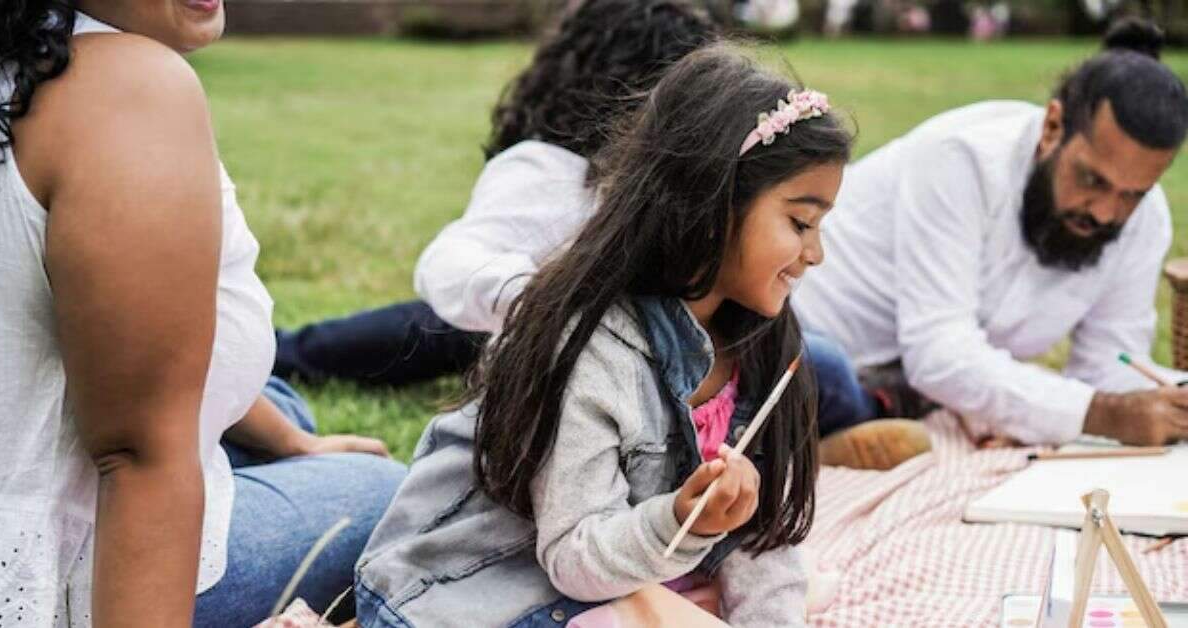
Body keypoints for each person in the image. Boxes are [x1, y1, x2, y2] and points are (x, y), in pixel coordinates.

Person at [355, 45, 853, 627]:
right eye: (800, 223)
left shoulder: (759, 345)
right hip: (464, 592)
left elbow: (760, 540)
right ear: (713, 205)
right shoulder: (590, 350)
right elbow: (575, 558)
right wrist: (683, 522)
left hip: (619, 578)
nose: (815, 253)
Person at [279, 0, 911, 453]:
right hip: (542, 333)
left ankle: (835, 426)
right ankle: (285, 352)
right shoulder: (549, 172)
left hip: (671, 357)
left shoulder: (702, 199)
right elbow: (449, 265)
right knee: (427, 329)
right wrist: (555, 303)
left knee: (814, 361)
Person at [0, 2, 404, 626]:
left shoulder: (15, 54)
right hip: (44, 579)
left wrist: (296, 444)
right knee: (385, 492)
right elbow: (136, 456)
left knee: (282, 406)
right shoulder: (125, 89)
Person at [790, 18, 1188, 446]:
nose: (1107, 212)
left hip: (917, 387)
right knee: (820, 370)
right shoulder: (962, 159)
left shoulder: (1145, 220)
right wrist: (1102, 414)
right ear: (1053, 128)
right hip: (808, 339)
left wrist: (1172, 401)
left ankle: (867, 427)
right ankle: (853, 429)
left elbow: (1110, 365)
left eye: (1132, 194)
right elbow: (939, 353)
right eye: (1093, 180)